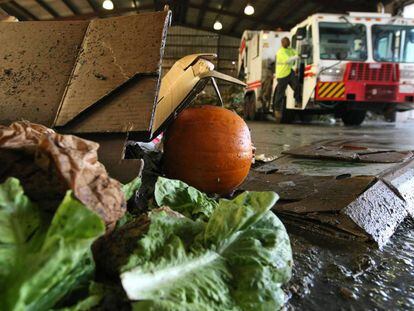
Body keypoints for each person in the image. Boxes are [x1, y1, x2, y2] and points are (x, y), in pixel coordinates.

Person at [274, 37, 301, 109]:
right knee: (281, 93)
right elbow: (288, 60)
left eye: (288, 42)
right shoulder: (280, 52)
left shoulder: (290, 50)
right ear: (282, 43)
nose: (287, 43)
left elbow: (297, 53)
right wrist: (297, 56)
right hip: (282, 74)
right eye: (285, 42)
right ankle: (277, 108)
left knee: (297, 85)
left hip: (289, 71)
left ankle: (298, 101)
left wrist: (299, 54)